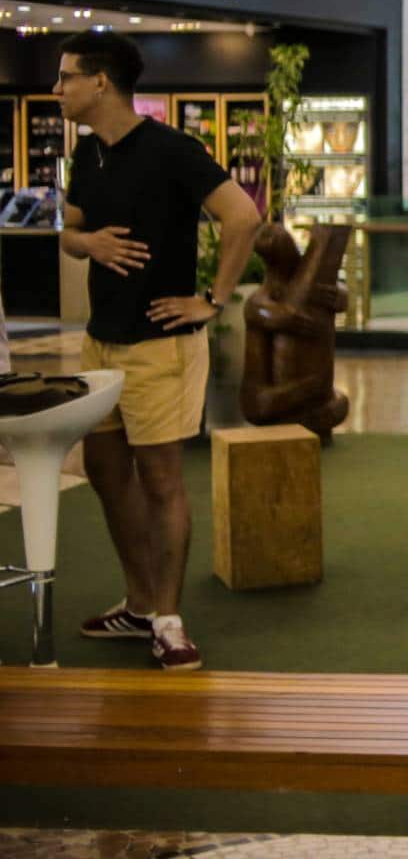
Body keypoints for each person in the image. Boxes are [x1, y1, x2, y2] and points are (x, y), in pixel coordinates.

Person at [57, 34, 260, 671]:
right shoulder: (85, 155)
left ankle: (169, 620)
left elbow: (243, 216)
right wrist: (88, 245)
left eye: (66, 78)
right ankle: (141, 604)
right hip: (100, 344)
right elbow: (68, 231)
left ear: (100, 83)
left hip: (161, 347)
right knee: (105, 473)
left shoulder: (173, 149)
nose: (57, 90)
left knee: (162, 481)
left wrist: (214, 298)